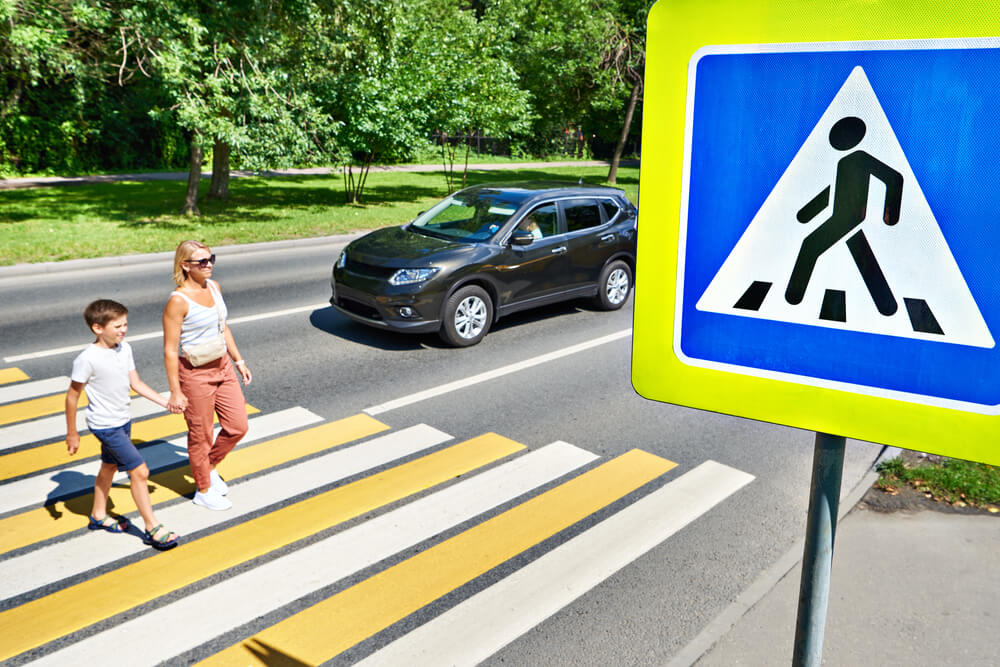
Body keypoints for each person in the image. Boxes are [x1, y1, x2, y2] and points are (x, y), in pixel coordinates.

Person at [65, 299, 180, 550]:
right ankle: (152, 528)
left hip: (123, 420)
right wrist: (72, 433)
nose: (123, 329)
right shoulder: (87, 359)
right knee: (139, 471)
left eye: (125, 324)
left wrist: (165, 402)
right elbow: (72, 396)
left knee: (108, 468)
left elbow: (135, 383)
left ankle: (98, 515)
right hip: (105, 425)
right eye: (117, 326)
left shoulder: (124, 349)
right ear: (98, 328)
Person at [163, 240, 251, 511]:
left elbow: (222, 327)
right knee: (201, 435)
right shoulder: (177, 302)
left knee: (238, 426)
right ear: (185, 266)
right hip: (195, 374)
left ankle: (208, 467)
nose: (209, 264)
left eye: (211, 258)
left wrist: (239, 360)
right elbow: (169, 350)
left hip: (223, 366)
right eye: (201, 261)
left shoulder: (214, 287)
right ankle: (202, 489)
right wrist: (176, 391)